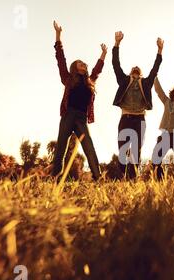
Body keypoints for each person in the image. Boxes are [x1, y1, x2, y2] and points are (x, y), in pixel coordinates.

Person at [51, 21, 107, 181]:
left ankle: (98, 177)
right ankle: (55, 177)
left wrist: (103, 55)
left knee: (89, 147)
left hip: (82, 118)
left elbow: (97, 70)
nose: (84, 65)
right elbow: (60, 59)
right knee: (61, 147)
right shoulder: (68, 79)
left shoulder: (89, 81)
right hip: (68, 116)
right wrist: (58, 36)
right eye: (80, 63)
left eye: (84, 63)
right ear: (75, 68)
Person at [112, 31, 163, 179]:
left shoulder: (146, 83)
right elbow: (116, 64)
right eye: (133, 68)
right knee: (122, 149)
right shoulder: (123, 80)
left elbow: (155, 69)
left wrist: (159, 50)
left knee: (136, 150)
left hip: (140, 119)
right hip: (126, 118)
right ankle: (121, 177)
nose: (135, 68)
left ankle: (133, 178)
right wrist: (117, 44)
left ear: (140, 73)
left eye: (137, 69)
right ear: (130, 72)